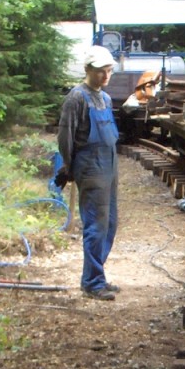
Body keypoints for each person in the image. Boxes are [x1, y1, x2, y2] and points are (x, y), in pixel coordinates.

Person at [56, 45, 121, 301]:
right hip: (91, 165)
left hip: (110, 164)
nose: (105, 77)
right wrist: (68, 166)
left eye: (108, 71)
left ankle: (96, 274)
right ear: (88, 70)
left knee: (110, 223)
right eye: (100, 72)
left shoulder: (104, 98)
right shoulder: (76, 98)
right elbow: (65, 135)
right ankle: (92, 283)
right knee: (95, 224)